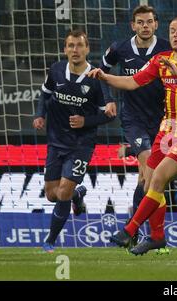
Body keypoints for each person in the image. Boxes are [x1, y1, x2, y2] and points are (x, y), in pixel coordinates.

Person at [88, 16, 177, 255]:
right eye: (172, 30)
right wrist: (106, 77)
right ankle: (157, 236)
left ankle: (129, 230)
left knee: (157, 179)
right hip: (167, 130)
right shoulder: (160, 60)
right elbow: (133, 82)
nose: (176, 34)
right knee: (149, 184)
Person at [33, 30, 114, 253]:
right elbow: (45, 94)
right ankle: (78, 196)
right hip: (55, 141)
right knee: (52, 194)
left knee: (63, 193)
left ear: (87, 49)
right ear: (65, 49)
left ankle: (50, 240)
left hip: (81, 145)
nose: (75, 50)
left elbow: (110, 114)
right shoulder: (56, 70)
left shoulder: (96, 78)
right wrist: (40, 115)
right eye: (71, 45)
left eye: (79, 45)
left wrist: (85, 120)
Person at [99, 5, 171, 242]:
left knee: (147, 179)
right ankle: (136, 230)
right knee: (149, 170)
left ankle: (135, 230)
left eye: (149, 22)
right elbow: (101, 73)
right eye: (140, 22)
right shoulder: (119, 48)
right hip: (133, 119)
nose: (145, 26)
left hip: (162, 119)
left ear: (156, 24)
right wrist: (108, 100)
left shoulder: (165, 49)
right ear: (133, 25)